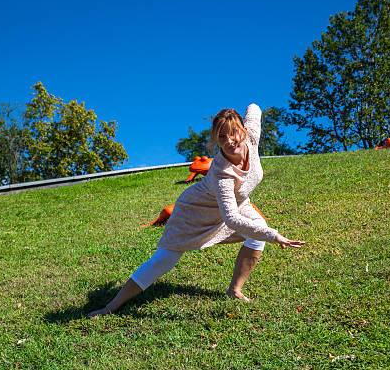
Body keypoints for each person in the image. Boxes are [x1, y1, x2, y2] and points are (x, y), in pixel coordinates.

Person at [88, 103, 304, 317]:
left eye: (234, 133)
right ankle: (111, 307)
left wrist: (252, 106)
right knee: (163, 260)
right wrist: (274, 235)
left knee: (257, 235)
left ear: (244, 130)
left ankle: (234, 290)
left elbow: (254, 109)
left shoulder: (252, 138)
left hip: (238, 204)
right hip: (195, 211)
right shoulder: (222, 172)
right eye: (222, 137)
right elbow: (231, 219)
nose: (229, 141)